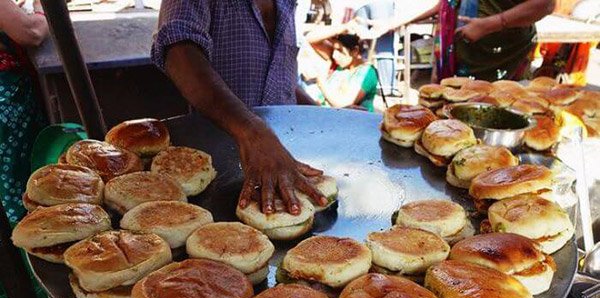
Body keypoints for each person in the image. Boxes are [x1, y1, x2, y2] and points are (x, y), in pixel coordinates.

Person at [152, 0, 328, 216]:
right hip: (215, 179)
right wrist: (251, 132)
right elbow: (179, 53)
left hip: (285, 167)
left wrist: (328, 118)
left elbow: (280, 78)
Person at [370, 0, 554, 81]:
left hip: (497, 59)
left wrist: (490, 24)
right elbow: (444, 3)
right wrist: (392, 23)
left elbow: (545, 4)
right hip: (454, 56)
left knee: (488, 131)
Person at [0, 0, 48, 225]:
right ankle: (24, 242)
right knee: (17, 183)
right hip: (6, 104)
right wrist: (42, 9)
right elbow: (31, 33)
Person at [303, 24, 378, 112]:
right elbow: (309, 39)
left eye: (339, 51)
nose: (335, 55)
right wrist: (340, 28)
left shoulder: (367, 72)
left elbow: (343, 105)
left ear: (355, 51)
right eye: (334, 50)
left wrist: (321, 82)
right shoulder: (341, 62)